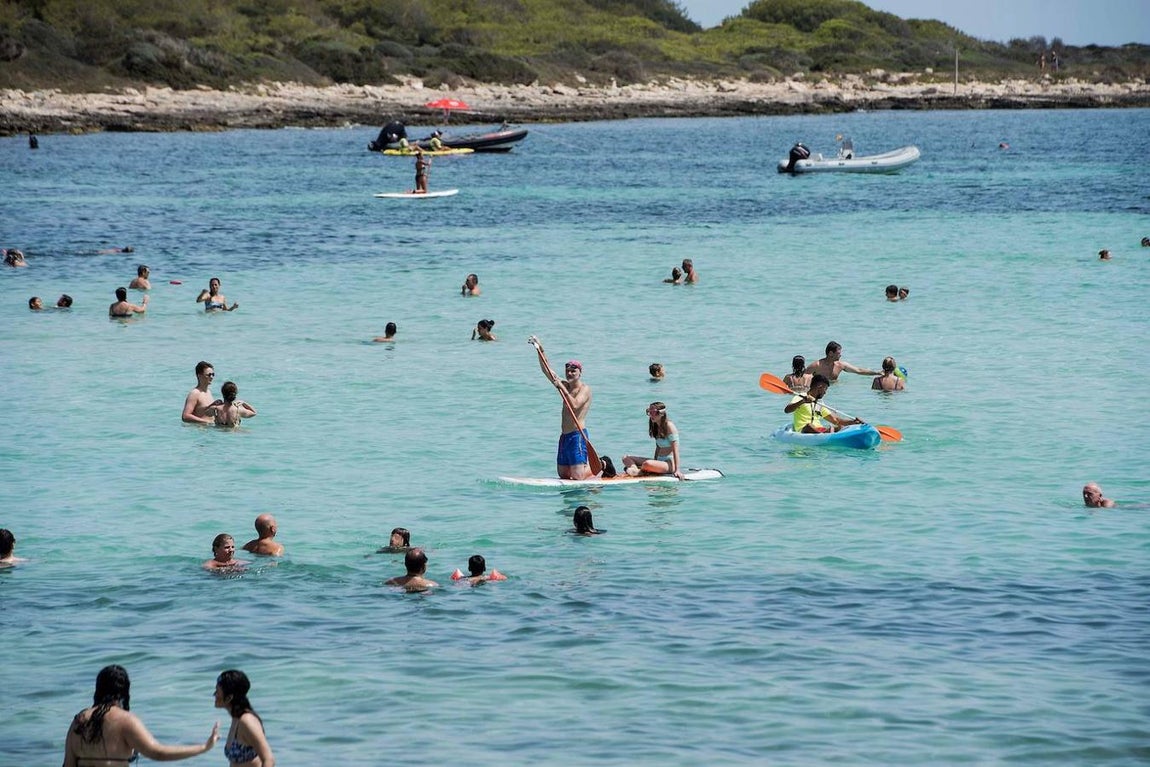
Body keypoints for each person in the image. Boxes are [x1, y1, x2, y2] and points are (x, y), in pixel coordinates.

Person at [62, 664, 219, 767]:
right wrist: (203, 747)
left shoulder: (79, 720)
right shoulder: (125, 720)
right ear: (124, 692)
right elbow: (158, 752)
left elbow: (68, 764)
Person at [531, 337, 593, 480]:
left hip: (578, 435)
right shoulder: (564, 385)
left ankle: (603, 464)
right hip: (565, 436)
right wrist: (540, 349)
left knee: (577, 477)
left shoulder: (585, 389)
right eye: (568, 371)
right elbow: (547, 370)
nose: (570, 373)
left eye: (573, 371)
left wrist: (563, 389)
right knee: (564, 474)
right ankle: (586, 469)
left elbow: (576, 405)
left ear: (580, 373)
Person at [215, 669, 275, 767]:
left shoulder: (247, 721)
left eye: (217, 692)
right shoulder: (236, 719)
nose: (214, 695)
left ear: (229, 697)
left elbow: (269, 759)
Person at [784, 373, 863, 433]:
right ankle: (825, 434)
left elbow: (836, 420)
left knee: (839, 427)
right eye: (825, 389)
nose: (825, 393)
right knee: (809, 426)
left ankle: (825, 433)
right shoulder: (801, 397)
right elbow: (787, 410)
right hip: (804, 430)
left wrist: (853, 422)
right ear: (819, 387)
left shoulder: (819, 403)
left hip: (818, 430)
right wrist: (803, 401)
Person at [622, 401, 683, 479]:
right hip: (659, 460)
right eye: (649, 412)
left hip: (669, 463)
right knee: (626, 458)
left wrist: (677, 470)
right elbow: (658, 447)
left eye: (653, 412)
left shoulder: (670, 426)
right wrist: (655, 462)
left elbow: (676, 450)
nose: (651, 415)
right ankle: (636, 470)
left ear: (661, 413)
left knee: (647, 463)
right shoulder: (656, 425)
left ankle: (640, 471)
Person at [804, 341, 879, 382]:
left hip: (837, 393)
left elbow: (859, 370)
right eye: (838, 354)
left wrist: (877, 373)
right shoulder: (817, 365)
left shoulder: (840, 365)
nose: (840, 355)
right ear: (830, 353)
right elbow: (802, 377)